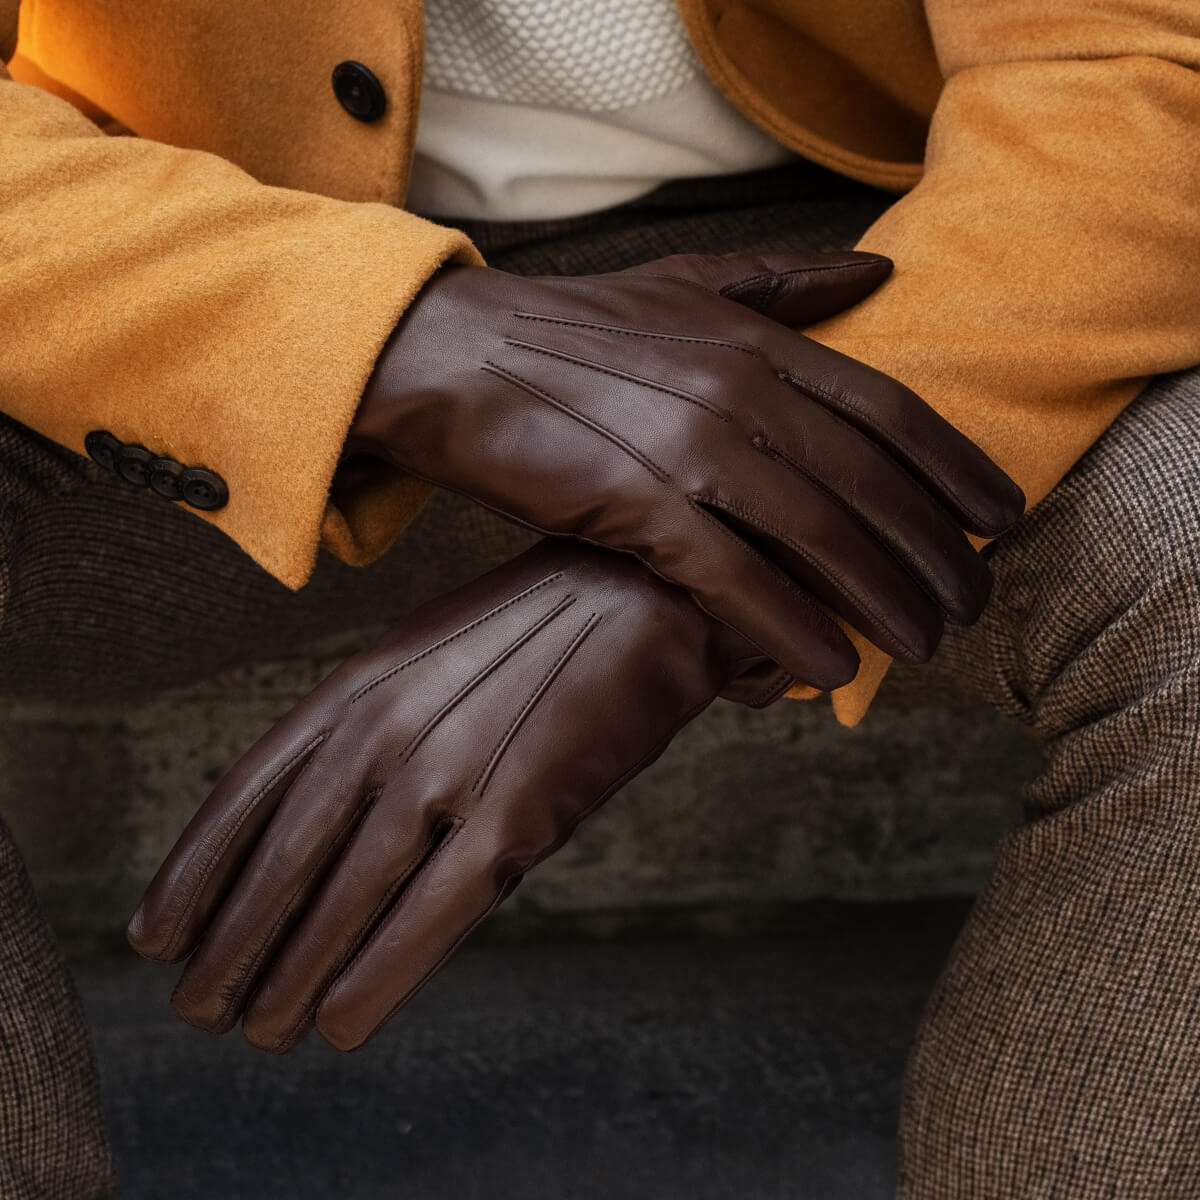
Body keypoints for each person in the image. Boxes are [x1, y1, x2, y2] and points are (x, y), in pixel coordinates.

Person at [2, 1, 1199, 1197]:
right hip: (170, 235)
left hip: (856, 254)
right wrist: (374, 338)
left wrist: (730, 545)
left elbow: (1139, 60)